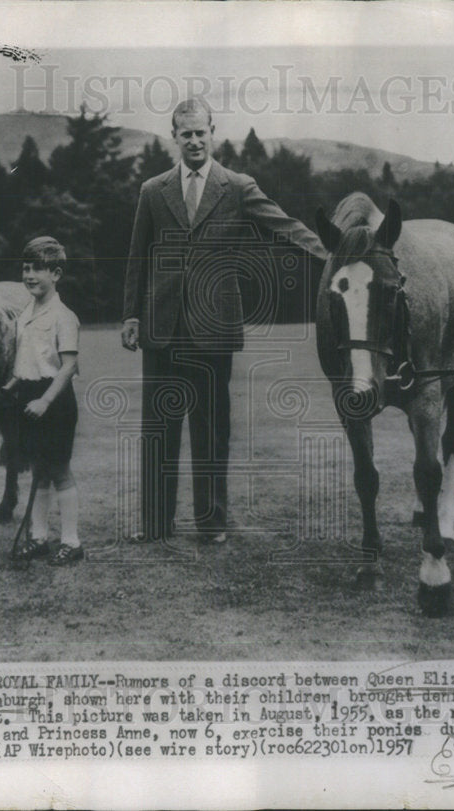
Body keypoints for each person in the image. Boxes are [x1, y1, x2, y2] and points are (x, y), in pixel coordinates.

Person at [121, 96, 327, 545]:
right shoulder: (153, 191)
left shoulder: (236, 186)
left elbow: (284, 225)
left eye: (201, 132)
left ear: (213, 133)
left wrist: (332, 255)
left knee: (211, 428)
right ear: (173, 137)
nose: (194, 141)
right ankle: (156, 524)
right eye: (185, 133)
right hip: (161, 326)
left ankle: (211, 523)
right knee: (159, 429)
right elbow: (138, 257)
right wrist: (131, 315)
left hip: (214, 329)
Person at [0, 237, 83, 566]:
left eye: (38, 269)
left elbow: (69, 365)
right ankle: (39, 537)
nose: (29, 275)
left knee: (59, 470)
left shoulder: (64, 315)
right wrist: (9, 387)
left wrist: (45, 401)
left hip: (55, 400)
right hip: (29, 396)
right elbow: (27, 361)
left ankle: (72, 542)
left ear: (56, 274)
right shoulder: (26, 314)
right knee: (38, 472)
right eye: (26, 268)